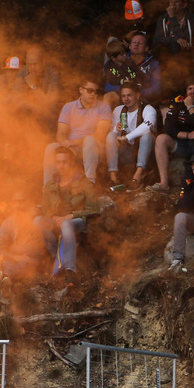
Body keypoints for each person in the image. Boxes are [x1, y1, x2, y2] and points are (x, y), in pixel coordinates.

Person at [37, 146, 100, 277]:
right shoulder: (50, 185)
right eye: (58, 162)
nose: (61, 166)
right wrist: (54, 217)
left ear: (71, 162)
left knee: (66, 225)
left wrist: (70, 216)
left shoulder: (82, 181)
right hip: (57, 221)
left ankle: (71, 269)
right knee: (37, 221)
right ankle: (56, 256)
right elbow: (45, 209)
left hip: (76, 221)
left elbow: (94, 208)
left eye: (64, 162)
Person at [150, 77, 194, 194]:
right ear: (186, 91)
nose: (192, 91)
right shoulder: (177, 101)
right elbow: (167, 128)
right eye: (189, 88)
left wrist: (191, 107)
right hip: (183, 143)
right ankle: (164, 184)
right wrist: (187, 135)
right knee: (161, 138)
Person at [43, 81, 111, 186]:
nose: (93, 94)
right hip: (71, 147)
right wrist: (65, 145)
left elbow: (100, 135)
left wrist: (75, 143)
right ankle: (48, 188)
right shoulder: (69, 107)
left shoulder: (104, 108)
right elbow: (61, 133)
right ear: (81, 90)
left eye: (96, 91)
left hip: (94, 148)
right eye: (90, 90)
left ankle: (89, 184)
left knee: (90, 140)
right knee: (51, 147)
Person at [106, 80, 157, 189]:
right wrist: (116, 129)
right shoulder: (118, 110)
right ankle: (113, 177)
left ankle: (138, 175)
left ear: (137, 95)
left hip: (145, 148)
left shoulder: (147, 109)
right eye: (123, 96)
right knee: (110, 136)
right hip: (126, 150)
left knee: (146, 136)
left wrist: (126, 137)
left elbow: (148, 126)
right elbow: (113, 135)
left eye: (130, 95)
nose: (126, 99)